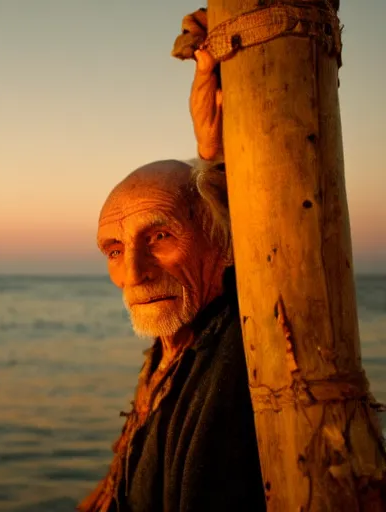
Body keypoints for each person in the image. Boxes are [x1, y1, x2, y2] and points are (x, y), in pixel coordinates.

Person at [76, 32, 266, 512]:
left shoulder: (238, 361)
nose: (134, 274)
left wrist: (217, 150)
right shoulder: (173, 353)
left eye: (159, 237)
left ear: (225, 243)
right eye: (115, 250)